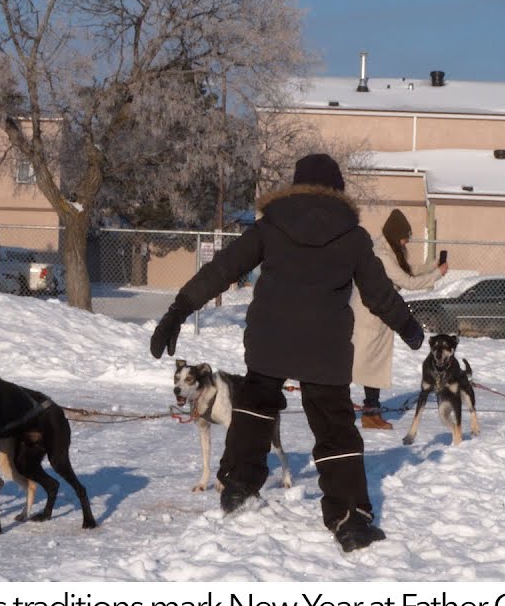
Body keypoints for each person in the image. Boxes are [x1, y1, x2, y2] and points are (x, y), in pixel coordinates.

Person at [148, 153, 424, 552]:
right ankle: (349, 519)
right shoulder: (353, 236)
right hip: (325, 347)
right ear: (338, 191)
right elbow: (379, 294)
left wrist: (178, 310)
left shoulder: (271, 225)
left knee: (255, 408)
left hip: (270, 340)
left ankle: (238, 488)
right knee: (334, 426)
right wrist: (410, 327)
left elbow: (221, 270)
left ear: (296, 185)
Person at [351, 208, 448, 429]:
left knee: (371, 367)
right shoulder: (382, 255)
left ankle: (371, 411)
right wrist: (437, 275)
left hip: (380, 315)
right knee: (364, 365)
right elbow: (408, 281)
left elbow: (407, 270)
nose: (406, 241)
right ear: (395, 234)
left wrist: (431, 266)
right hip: (370, 317)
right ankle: (364, 412)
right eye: (405, 236)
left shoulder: (390, 250)